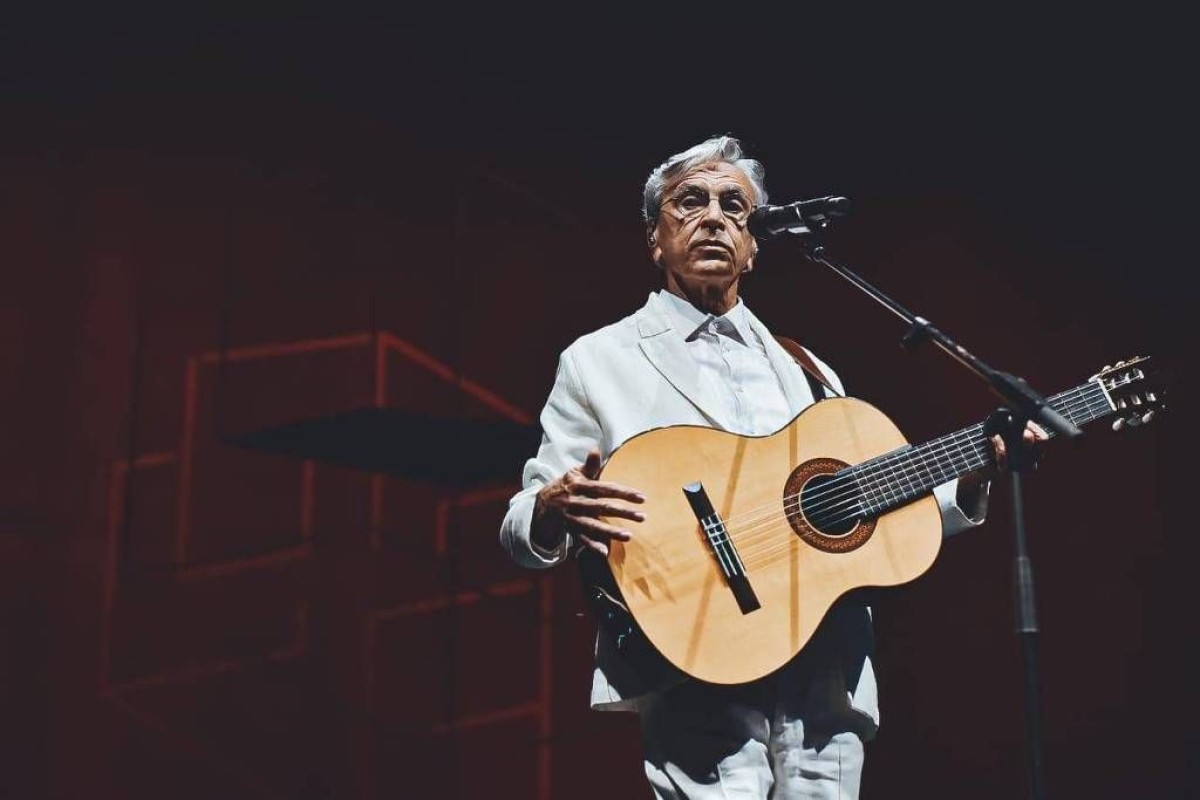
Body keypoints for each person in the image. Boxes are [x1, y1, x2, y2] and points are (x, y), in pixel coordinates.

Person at [499, 135, 1045, 799]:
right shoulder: (598, 359)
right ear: (654, 236)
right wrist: (553, 507)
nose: (714, 217)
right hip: (694, 649)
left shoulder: (808, 370)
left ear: (755, 244)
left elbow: (870, 514)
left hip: (825, 668)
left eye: (735, 206)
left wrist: (975, 473)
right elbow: (523, 523)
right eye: (690, 202)